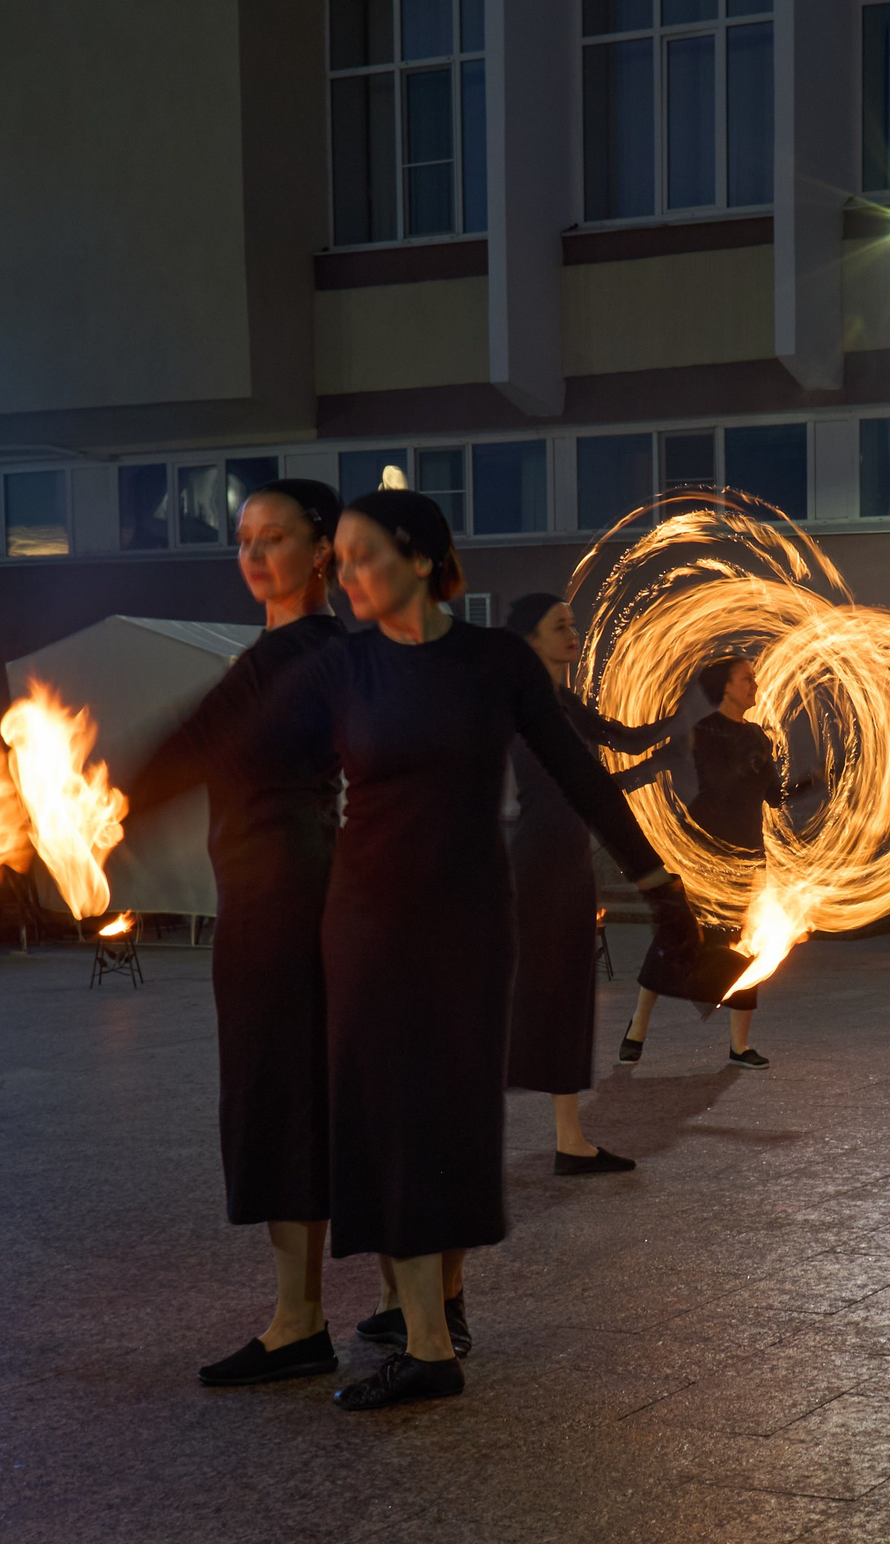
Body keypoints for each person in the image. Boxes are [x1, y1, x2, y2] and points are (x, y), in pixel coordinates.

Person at [288, 488, 698, 1410]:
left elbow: (579, 769)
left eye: (365, 555)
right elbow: (253, 761)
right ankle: (420, 1325)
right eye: (338, 560)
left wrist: (655, 878)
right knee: (385, 1121)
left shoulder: (492, 663)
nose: (346, 574)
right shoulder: (340, 665)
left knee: (441, 1122)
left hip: (467, 924)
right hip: (364, 924)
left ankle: (434, 1328)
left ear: (425, 558)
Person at [121, 478, 347, 1388]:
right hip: (290, 890)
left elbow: (183, 751)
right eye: (244, 539)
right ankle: (357, 1307)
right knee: (299, 1094)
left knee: (280, 1095)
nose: (253, 556)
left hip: (279, 903)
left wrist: (96, 803)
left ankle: (300, 1319)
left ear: (323, 548)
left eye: (275, 539)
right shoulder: (318, 653)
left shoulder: (293, 659)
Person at [502, 590, 673, 1174]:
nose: (573, 634)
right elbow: (578, 789)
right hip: (539, 862)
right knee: (530, 994)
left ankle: (570, 1140)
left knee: (566, 996)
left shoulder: (568, 705)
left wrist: (687, 719)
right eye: (559, 626)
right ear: (530, 641)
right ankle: (453, 1122)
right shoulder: (522, 707)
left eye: (573, 624)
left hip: (569, 861)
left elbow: (624, 743)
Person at [620, 653, 801, 1069]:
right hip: (705, 853)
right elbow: (667, 769)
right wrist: (607, 788)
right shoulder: (701, 733)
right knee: (676, 939)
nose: (755, 685)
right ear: (725, 687)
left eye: (754, 679)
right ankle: (637, 1028)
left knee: (745, 944)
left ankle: (739, 1046)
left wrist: (812, 781)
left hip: (748, 856)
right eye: (747, 679)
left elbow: (773, 797)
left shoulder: (758, 736)